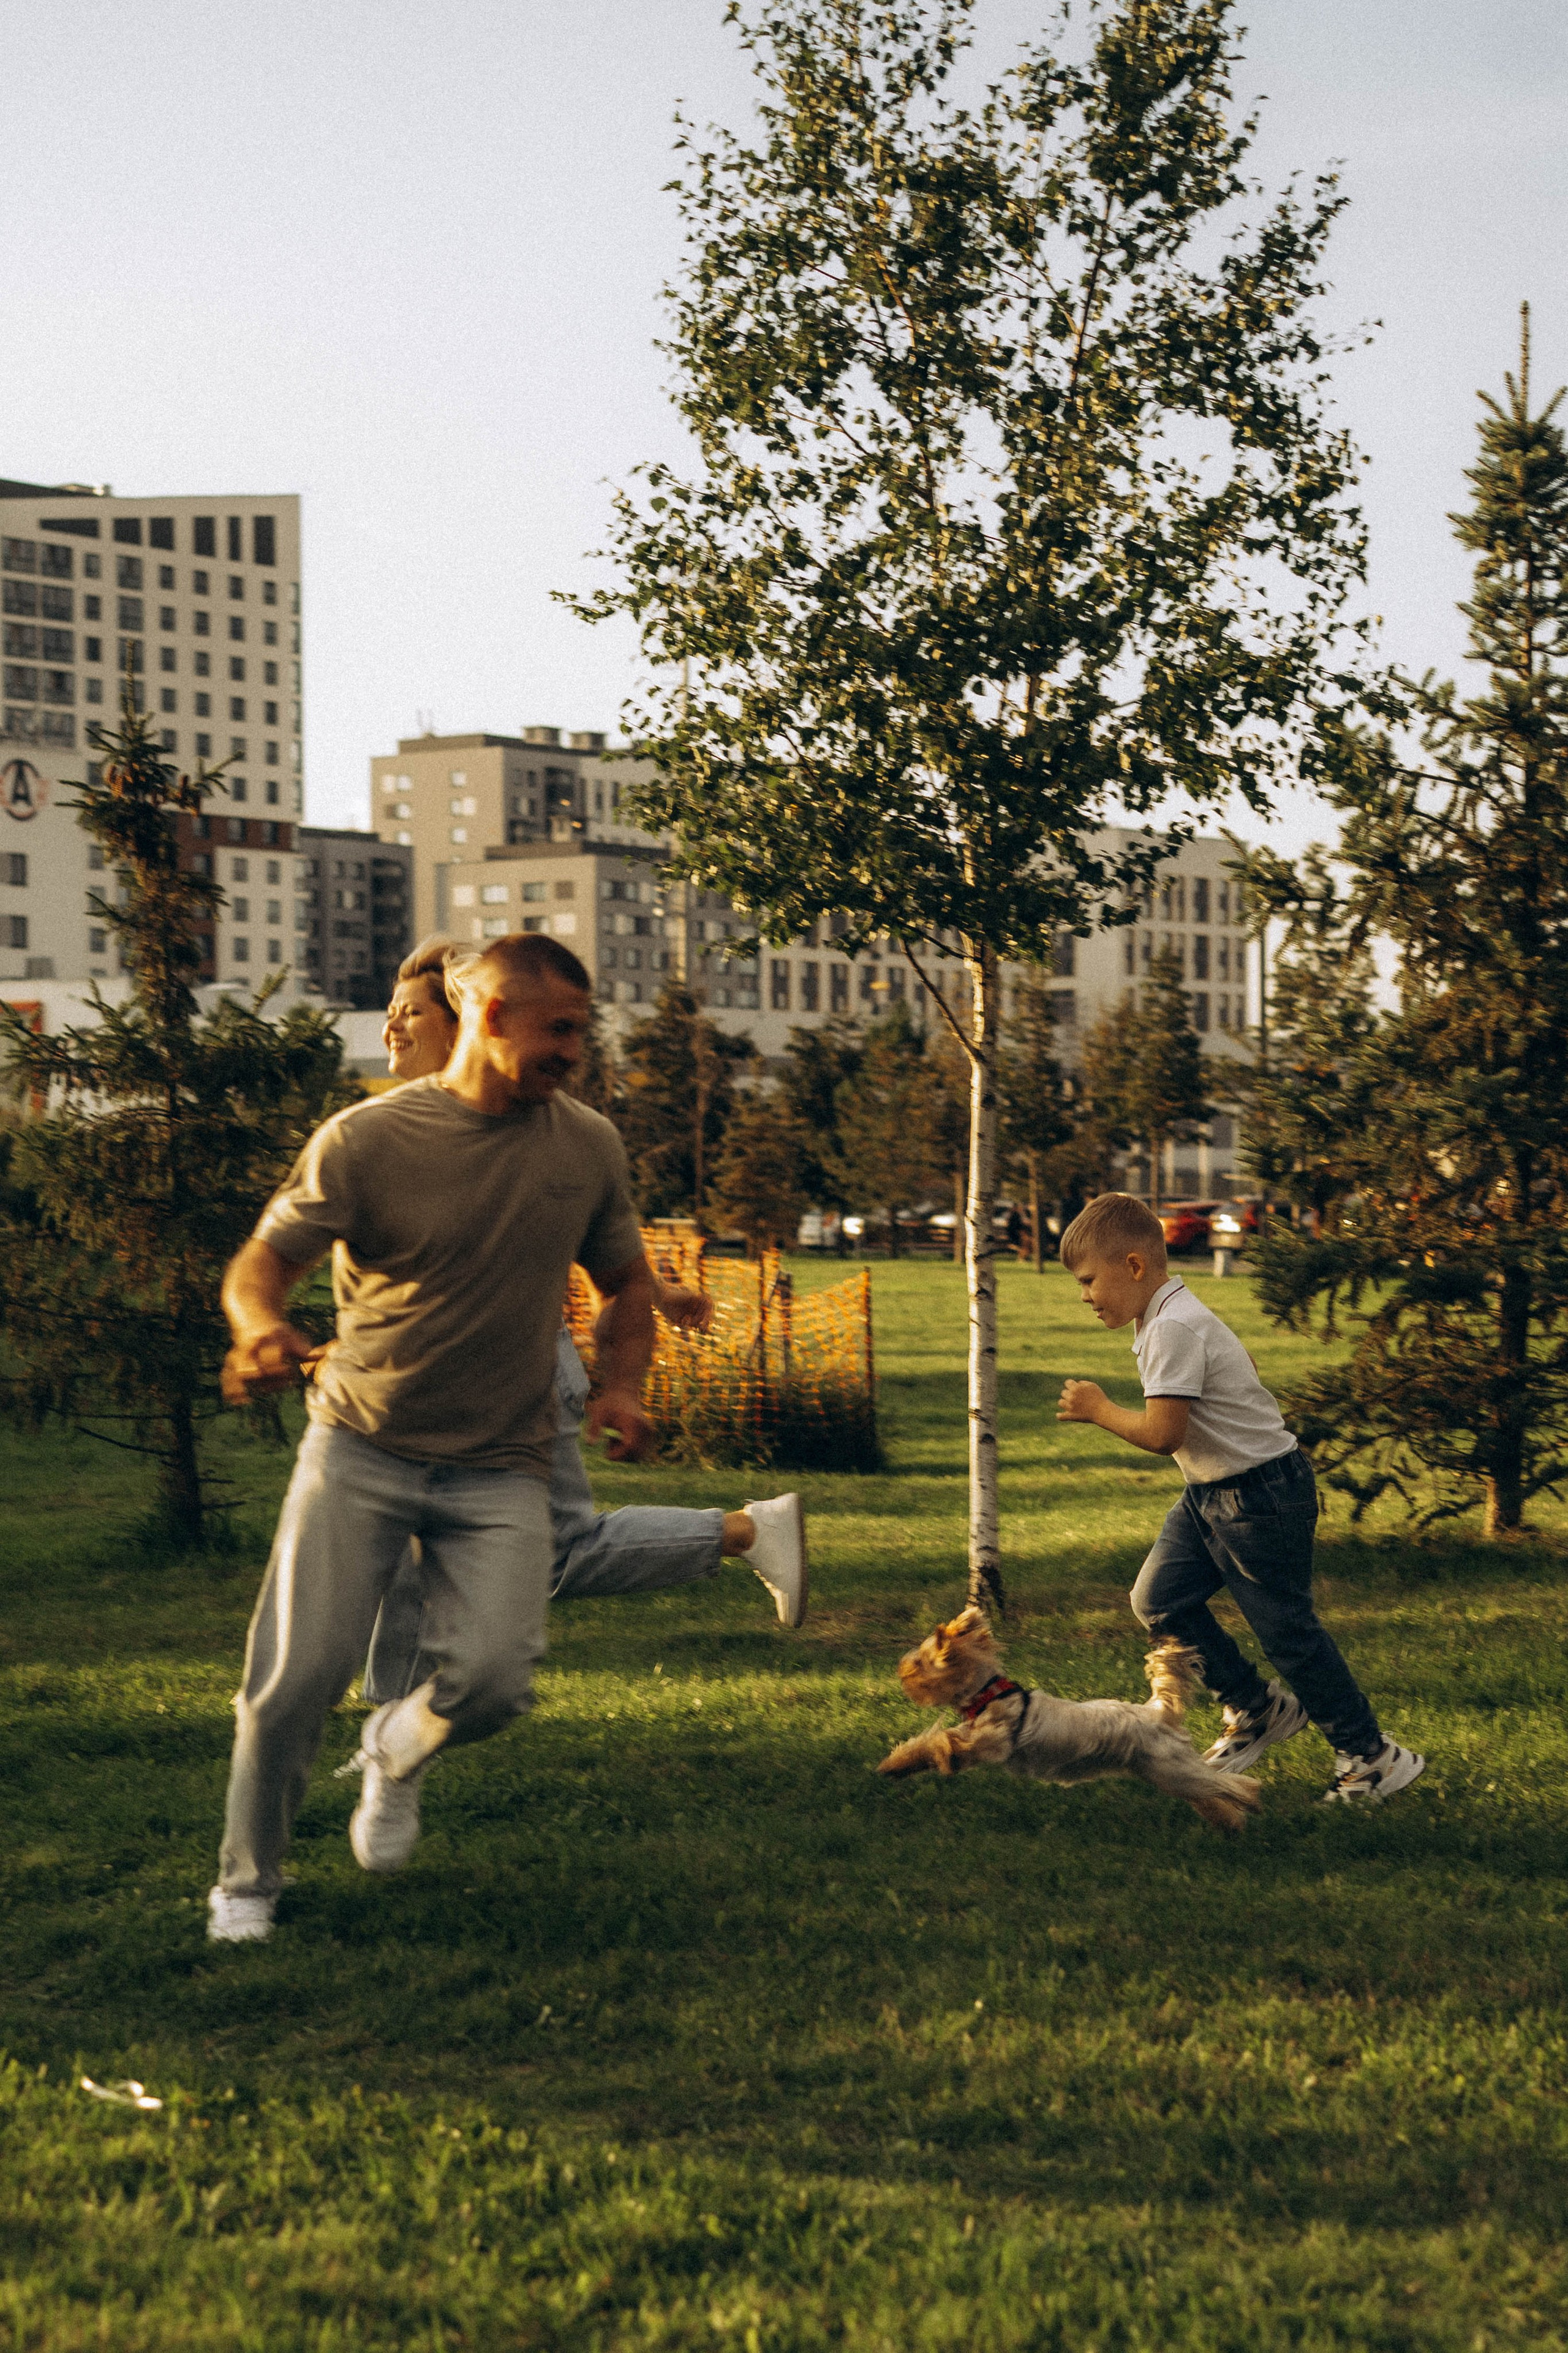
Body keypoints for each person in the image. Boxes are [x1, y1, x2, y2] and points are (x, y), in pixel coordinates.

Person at [209, 934, 658, 1943]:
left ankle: (397, 1747)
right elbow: (260, 1265)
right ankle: (248, 1885)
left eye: (582, 1030)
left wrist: (623, 1385)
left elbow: (628, 1283)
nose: (575, 1050)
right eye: (560, 1029)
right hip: (362, 1445)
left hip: (502, 1462)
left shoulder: (586, 1146)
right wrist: (259, 1328)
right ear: (491, 1017)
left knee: (497, 1680)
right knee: (295, 1680)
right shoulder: (367, 1139)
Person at [364, 940, 807, 1732]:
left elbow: (552, 1233)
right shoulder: (411, 1125)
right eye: (389, 1012)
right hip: (450, 1378)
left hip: (522, 1375)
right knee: (405, 1537)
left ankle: (746, 1530)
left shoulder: (509, 1123)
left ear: (467, 1017)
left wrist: (647, 1299)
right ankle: (384, 1708)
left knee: (553, 1554)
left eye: (413, 1011)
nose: (392, 1026)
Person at [1054, 1192, 1423, 1805]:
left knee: (1287, 1633)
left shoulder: (1171, 1326)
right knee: (1158, 1600)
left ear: (1134, 1266)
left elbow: (1162, 1434)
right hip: (1212, 1492)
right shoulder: (1170, 1314)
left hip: (1258, 1497)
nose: (1085, 1295)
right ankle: (1256, 1708)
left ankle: (1372, 1755)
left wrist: (1098, 1409)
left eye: (1090, 1280)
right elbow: (1240, 1361)